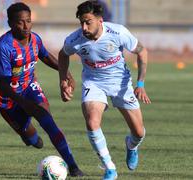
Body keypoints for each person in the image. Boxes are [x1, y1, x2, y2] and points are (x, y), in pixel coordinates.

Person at [58, 1, 151, 179]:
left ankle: (131, 146)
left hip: (120, 83)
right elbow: (63, 54)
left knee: (138, 132)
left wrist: (140, 84)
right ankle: (110, 168)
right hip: (93, 83)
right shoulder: (75, 39)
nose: (84, 27)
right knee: (92, 122)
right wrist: (63, 79)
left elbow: (142, 51)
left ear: (100, 20)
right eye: (81, 23)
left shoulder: (118, 32)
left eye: (88, 22)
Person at [0, 2, 83, 177]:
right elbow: (2, 85)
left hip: (29, 87)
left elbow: (45, 56)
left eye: (28, 21)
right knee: (33, 140)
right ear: (11, 23)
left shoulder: (35, 39)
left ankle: (73, 166)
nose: (26, 26)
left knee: (47, 120)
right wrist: (24, 104)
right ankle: (28, 136)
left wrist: (65, 73)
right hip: (8, 100)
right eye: (20, 22)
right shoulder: (4, 47)